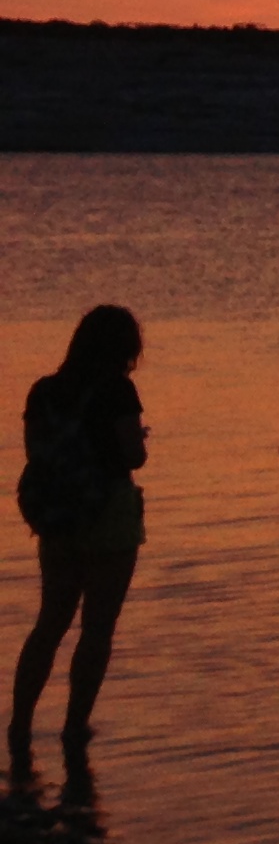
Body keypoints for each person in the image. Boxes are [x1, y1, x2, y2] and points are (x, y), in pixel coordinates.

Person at [10, 308, 147, 765]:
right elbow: (132, 456)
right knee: (96, 629)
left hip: (57, 517)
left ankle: (20, 726)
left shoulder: (45, 390)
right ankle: (74, 728)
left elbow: (36, 453)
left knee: (50, 622)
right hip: (108, 515)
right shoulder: (118, 390)